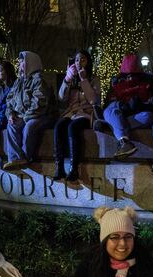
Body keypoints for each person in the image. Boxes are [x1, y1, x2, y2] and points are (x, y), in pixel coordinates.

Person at [4, 50, 57, 171]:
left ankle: (26, 157)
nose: (20, 64)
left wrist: (24, 117)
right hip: (25, 115)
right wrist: (11, 114)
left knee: (29, 127)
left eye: (22, 61)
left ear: (30, 63)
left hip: (43, 116)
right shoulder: (18, 82)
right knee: (11, 124)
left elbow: (39, 104)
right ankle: (15, 159)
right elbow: (9, 100)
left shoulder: (39, 80)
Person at [53, 49, 101, 182]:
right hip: (71, 113)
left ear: (88, 62)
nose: (79, 62)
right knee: (59, 126)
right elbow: (61, 98)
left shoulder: (94, 79)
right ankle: (59, 166)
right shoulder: (70, 77)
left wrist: (84, 79)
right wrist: (67, 79)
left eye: (83, 59)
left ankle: (74, 168)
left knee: (73, 128)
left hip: (86, 114)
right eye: (77, 60)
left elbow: (93, 100)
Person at [101, 54, 153, 160]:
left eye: (133, 75)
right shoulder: (116, 84)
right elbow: (108, 105)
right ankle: (125, 142)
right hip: (118, 113)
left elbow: (151, 107)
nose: (130, 78)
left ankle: (118, 131)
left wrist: (138, 103)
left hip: (132, 117)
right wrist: (120, 105)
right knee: (109, 111)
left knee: (148, 116)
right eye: (127, 76)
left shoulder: (146, 84)